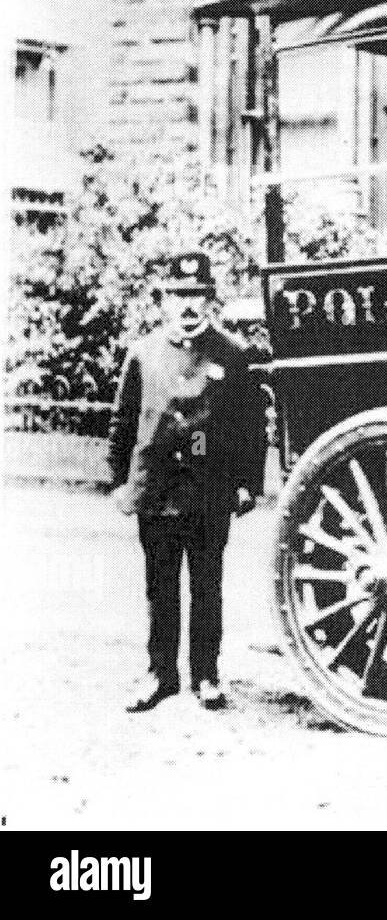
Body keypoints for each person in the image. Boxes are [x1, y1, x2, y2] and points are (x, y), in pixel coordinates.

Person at [108, 251, 263, 713]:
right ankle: (160, 674)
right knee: (160, 586)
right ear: (164, 301)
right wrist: (119, 480)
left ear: (210, 299)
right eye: (179, 295)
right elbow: (124, 420)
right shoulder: (144, 353)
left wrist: (246, 483)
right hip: (156, 489)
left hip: (208, 490)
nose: (188, 305)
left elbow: (249, 426)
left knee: (207, 585)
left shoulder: (231, 355)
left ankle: (206, 675)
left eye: (196, 295)